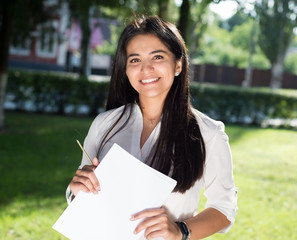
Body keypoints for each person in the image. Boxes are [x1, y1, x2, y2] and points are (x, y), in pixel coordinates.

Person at [66, 15, 237, 240]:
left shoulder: (209, 134)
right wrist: (76, 189)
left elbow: (224, 210)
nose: (146, 69)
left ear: (178, 64)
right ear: (125, 69)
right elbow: (81, 196)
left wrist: (181, 231)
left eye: (157, 57)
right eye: (135, 60)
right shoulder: (104, 124)